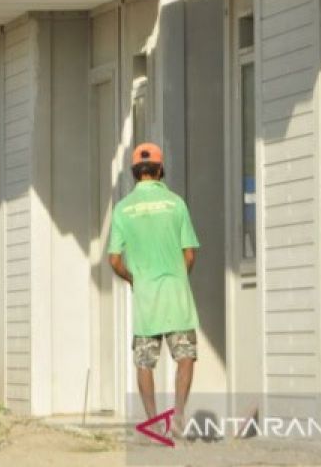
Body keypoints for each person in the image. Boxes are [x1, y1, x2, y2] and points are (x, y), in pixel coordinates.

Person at [107, 142, 200, 439]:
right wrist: (175, 276)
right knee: (185, 356)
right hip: (176, 293)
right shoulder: (176, 204)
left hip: (145, 296)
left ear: (135, 173)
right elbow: (189, 255)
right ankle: (178, 416)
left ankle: (154, 424)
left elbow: (114, 260)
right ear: (160, 170)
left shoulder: (122, 209)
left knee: (144, 361)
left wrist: (134, 279)